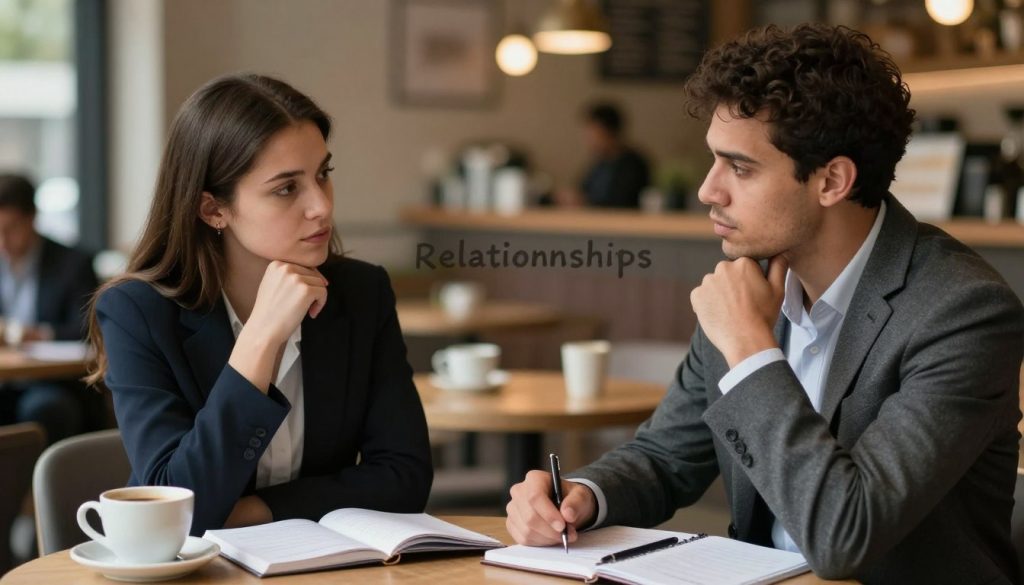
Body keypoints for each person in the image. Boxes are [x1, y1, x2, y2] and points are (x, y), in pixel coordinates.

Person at [506, 23, 1024, 584]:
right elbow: (666, 456)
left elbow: (846, 536)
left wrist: (752, 350)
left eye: (740, 168)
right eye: (714, 161)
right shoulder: (748, 283)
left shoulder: (963, 313)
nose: (708, 190)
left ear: (832, 181)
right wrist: (582, 495)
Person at [86, 74, 433, 535]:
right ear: (213, 210)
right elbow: (174, 509)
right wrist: (261, 339)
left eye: (323, 174)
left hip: (328, 565)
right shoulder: (138, 313)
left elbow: (405, 478)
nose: (321, 206)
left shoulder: (361, 293)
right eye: (286, 188)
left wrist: (255, 511)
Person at [0, 173, 99, 443]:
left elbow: (88, 329)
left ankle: (46, 472)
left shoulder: (73, 264)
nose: (3, 241)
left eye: (10, 229)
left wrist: (38, 334)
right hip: (6, 379)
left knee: (47, 408)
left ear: (32, 219)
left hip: (51, 382)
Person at [555, 102, 651, 208]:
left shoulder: (633, 165)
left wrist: (585, 202)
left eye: (593, 133)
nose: (588, 139)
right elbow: (581, 190)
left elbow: (621, 202)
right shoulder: (599, 163)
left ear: (608, 132)